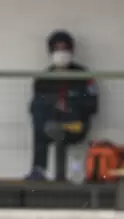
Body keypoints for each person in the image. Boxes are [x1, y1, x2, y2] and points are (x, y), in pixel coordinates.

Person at [26, 30, 99, 181]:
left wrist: (71, 106)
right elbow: (35, 107)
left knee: (52, 125)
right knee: (39, 113)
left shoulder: (83, 75)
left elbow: (93, 104)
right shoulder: (43, 78)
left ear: (71, 50)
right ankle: (38, 169)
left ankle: (75, 173)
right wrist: (54, 106)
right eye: (57, 49)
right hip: (50, 123)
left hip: (76, 123)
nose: (61, 53)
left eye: (64, 49)